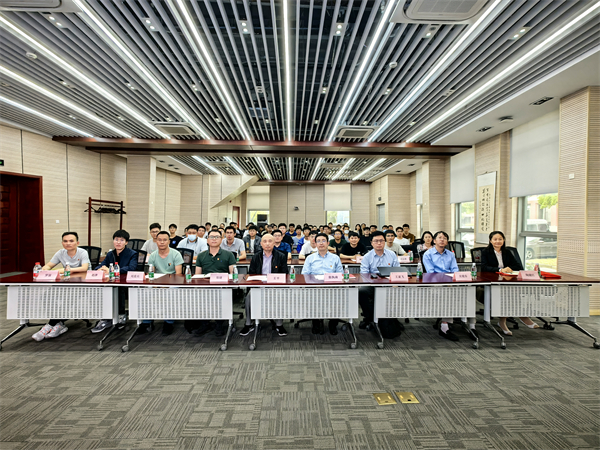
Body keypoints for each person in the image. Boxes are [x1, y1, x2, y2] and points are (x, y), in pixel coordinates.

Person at [31, 232, 90, 341]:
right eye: (65, 241)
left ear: (77, 243)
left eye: (71, 241)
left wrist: (64, 270)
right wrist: (44, 269)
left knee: (67, 298)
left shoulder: (83, 252)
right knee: (47, 295)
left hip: (82, 284)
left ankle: (51, 324)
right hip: (66, 283)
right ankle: (59, 323)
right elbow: (48, 265)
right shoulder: (60, 253)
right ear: (62, 243)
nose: (68, 243)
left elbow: (84, 268)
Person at [481, 230, 538, 335]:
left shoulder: (507, 252)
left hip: (507, 279)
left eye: (500, 239)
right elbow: (484, 267)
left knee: (515, 292)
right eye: (495, 239)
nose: (498, 241)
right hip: (493, 281)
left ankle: (520, 315)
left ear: (503, 240)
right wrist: (499, 269)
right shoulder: (485, 252)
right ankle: (504, 321)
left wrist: (508, 268)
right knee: (507, 294)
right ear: (490, 241)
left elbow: (518, 266)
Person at [422, 231, 476, 341]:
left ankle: (472, 326)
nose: (442, 239)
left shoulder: (450, 254)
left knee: (469, 291)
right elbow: (431, 272)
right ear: (434, 241)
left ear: (447, 242)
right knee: (448, 294)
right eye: (439, 237)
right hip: (436, 283)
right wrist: (447, 280)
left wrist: (453, 279)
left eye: (445, 238)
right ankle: (444, 327)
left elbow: (455, 270)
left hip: (451, 281)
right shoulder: (428, 254)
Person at [239, 234, 289, 337]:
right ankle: (248, 324)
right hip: (259, 286)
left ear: (274, 243)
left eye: (270, 241)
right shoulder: (256, 256)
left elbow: (284, 274)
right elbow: (251, 274)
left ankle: (279, 324)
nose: (267, 244)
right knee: (249, 297)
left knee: (281, 296)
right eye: (265, 241)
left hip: (275, 286)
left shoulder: (281, 256)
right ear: (261, 244)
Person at [91, 230, 138, 333]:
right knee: (102, 288)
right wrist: (99, 269)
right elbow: (102, 265)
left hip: (125, 282)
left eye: (121, 240)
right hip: (111, 280)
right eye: (116, 240)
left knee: (118, 289)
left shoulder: (132, 254)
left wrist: (112, 270)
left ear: (126, 242)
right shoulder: (110, 254)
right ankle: (106, 317)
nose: (118, 242)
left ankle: (121, 315)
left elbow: (131, 268)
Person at [193, 229, 236, 337]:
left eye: (217, 237)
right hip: (206, 285)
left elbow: (232, 274)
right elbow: (198, 275)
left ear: (221, 240)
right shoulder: (201, 255)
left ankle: (219, 324)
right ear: (207, 240)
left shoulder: (229, 254)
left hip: (222, 286)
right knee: (201, 296)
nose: (214, 239)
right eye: (211, 237)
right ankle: (205, 324)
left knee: (221, 294)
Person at [140, 231, 184, 336]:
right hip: (158, 282)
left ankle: (168, 322)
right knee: (146, 290)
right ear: (156, 241)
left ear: (169, 241)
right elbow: (151, 274)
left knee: (172, 292)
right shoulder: (153, 255)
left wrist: (166, 285)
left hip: (172, 283)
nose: (162, 242)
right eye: (159, 240)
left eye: (165, 240)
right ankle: (147, 322)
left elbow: (178, 275)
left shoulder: (176, 254)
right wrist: (155, 284)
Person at [302, 233, 344, 335]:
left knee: (337, 298)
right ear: (315, 244)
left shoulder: (335, 258)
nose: (321, 243)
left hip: (332, 287)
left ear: (328, 243)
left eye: (323, 241)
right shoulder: (310, 258)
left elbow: (340, 274)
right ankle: (316, 322)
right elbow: (305, 275)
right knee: (313, 298)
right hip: (314, 287)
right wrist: (314, 284)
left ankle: (333, 324)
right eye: (318, 241)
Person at [358, 231, 400, 328]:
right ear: (371, 243)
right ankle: (370, 317)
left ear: (384, 242)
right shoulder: (367, 257)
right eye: (376, 241)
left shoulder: (392, 254)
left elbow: (397, 270)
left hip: (389, 283)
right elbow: (364, 275)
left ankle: (392, 318)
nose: (379, 243)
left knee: (399, 290)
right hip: (372, 284)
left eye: (381, 240)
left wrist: (395, 284)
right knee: (362, 291)